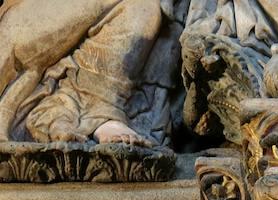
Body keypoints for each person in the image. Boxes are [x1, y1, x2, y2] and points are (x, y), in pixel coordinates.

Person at [0, 0, 177, 144]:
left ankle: (90, 107)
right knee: (144, 6)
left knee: (145, 8)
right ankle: (86, 107)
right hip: (23, 21)